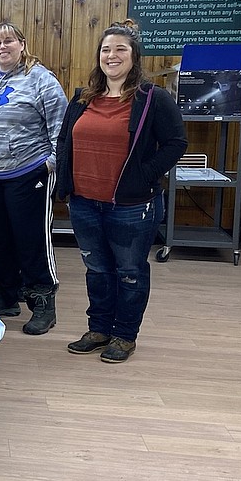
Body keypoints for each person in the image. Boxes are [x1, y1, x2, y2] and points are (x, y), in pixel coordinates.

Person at [56, 20, 187, 363]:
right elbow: (64, 140)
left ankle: (125, 335)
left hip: (131, 205)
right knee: (97, 270)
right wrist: (66, 184)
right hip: (84, 202)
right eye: (106, 49)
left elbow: (176, 144)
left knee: (129, 272)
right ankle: (99, 329)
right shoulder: (82, 98)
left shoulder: (152, 99)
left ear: (134, 56)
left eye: (120, 49)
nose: (111, 56)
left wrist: (144, 174)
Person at [0, 22, 68, 335]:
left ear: (22, 44)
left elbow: (61, 124)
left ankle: (43, 302)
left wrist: (51, 164)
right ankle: (6, 295)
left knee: (31, 240)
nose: (1, 47)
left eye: (8, 41)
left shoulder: (40, 79)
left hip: (28, 172)